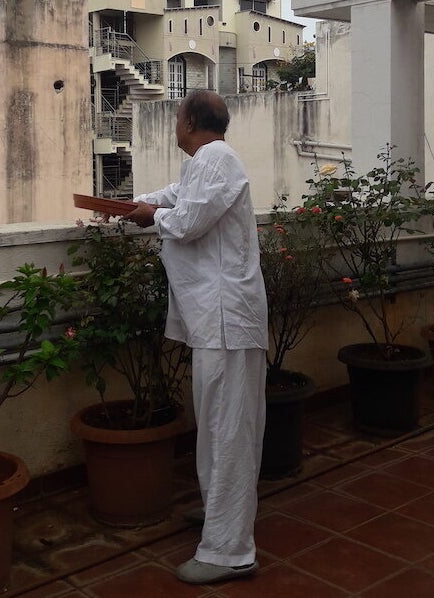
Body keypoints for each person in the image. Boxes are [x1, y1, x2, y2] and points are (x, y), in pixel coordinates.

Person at [123, 90, 268, 585]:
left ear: (188, 121)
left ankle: (230, 551)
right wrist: (136, 204)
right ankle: (221, 515)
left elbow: (185, 220)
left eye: (177, 118)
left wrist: (149, 216)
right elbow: (175, 196)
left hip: (227, 320)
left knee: (228, 429)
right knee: (219, 424)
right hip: (221, 320)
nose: (175, 127)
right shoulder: (206, 163)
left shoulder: (215, 158)